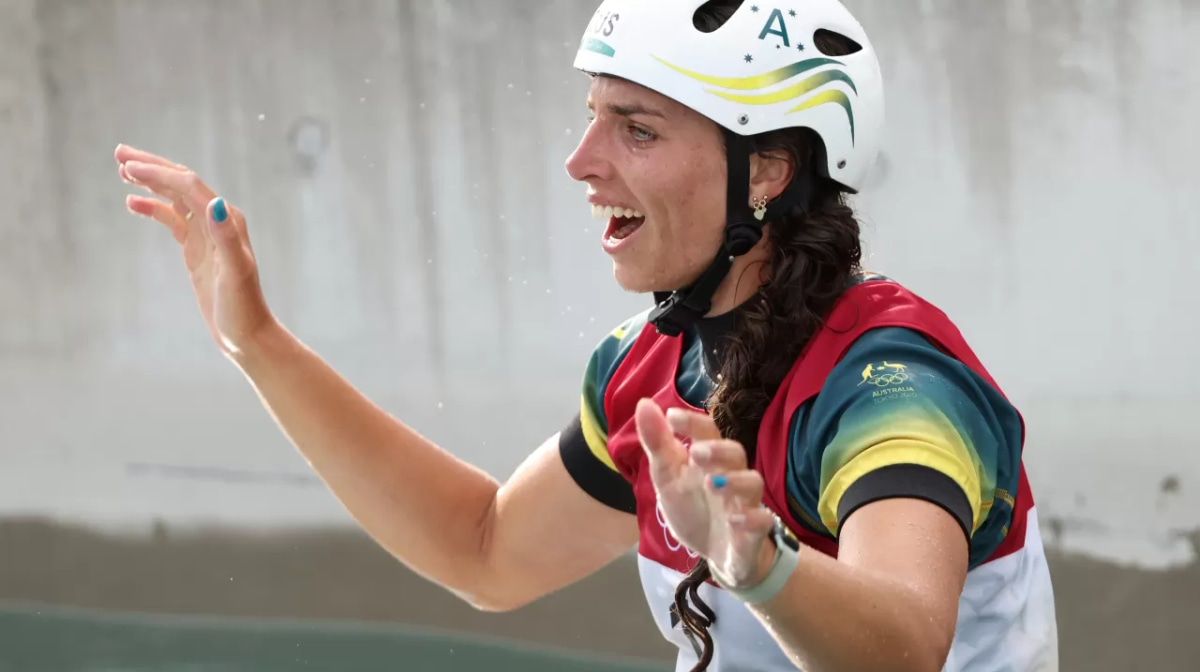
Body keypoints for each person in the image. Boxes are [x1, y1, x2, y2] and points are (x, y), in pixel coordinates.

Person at [114, 0, 1059, 669]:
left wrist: (759, 563)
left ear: (766, 171)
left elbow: (906, 651)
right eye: (591, 118)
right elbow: (482, 551)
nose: (581, 161)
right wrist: (259, 345)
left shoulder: (892, 383)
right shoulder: (646, 372)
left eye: (636, 130)